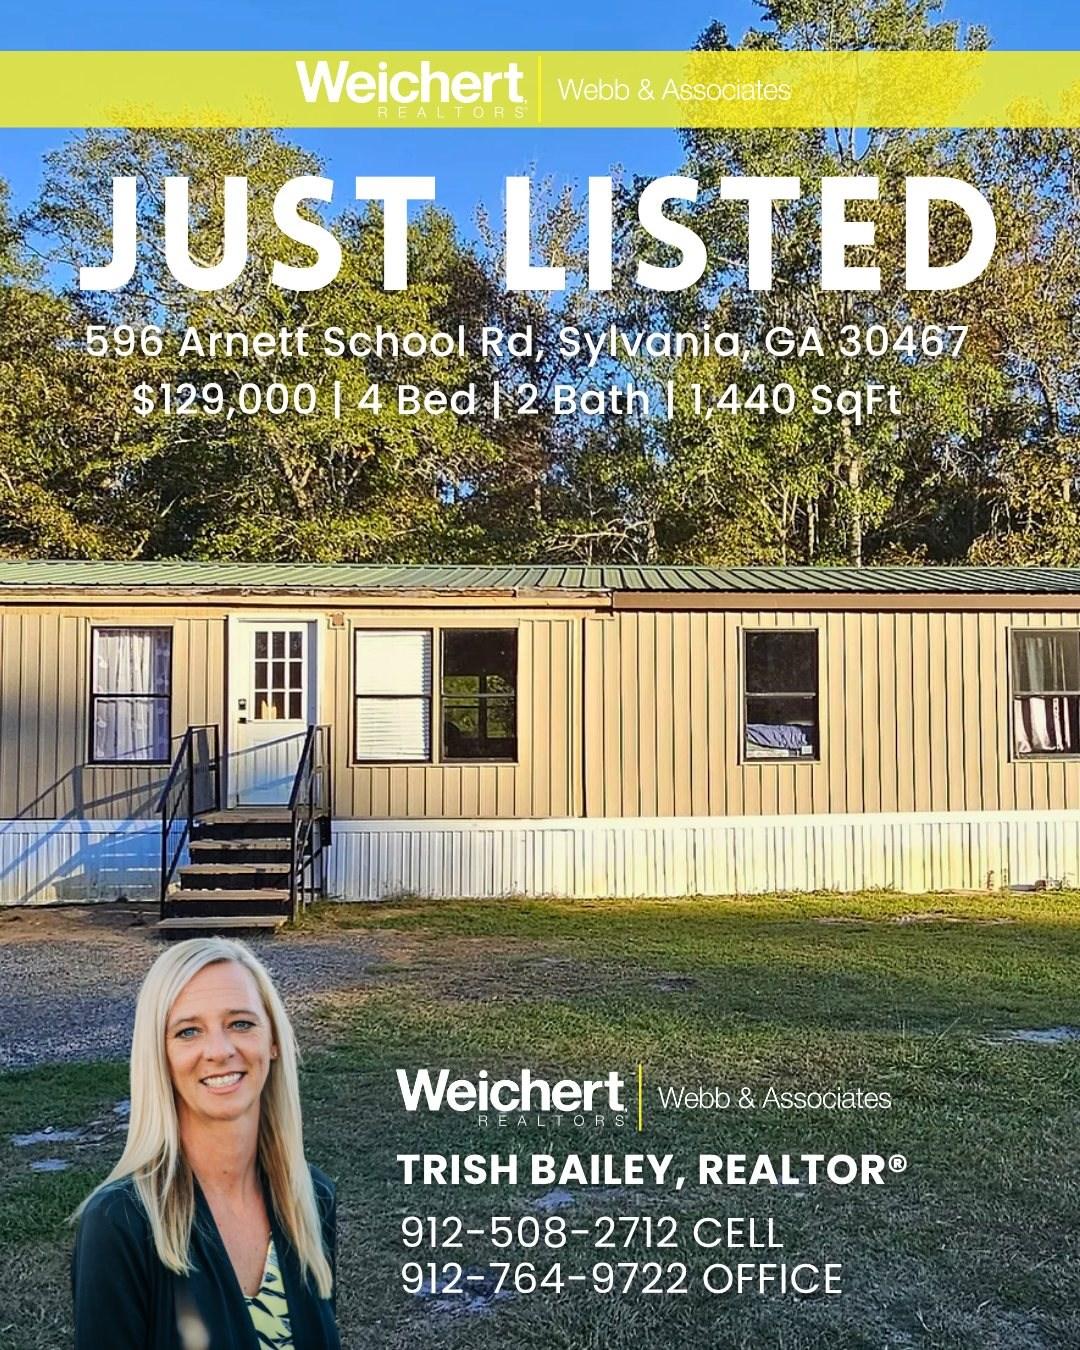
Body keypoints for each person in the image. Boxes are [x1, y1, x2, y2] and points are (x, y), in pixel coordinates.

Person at [71, 936, 340, 1350]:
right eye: (188, 1031)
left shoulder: (310, 1197)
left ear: (272, 1041)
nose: (219, 1050)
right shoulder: (120, 1224)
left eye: (241, 1024)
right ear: (160, 1056)